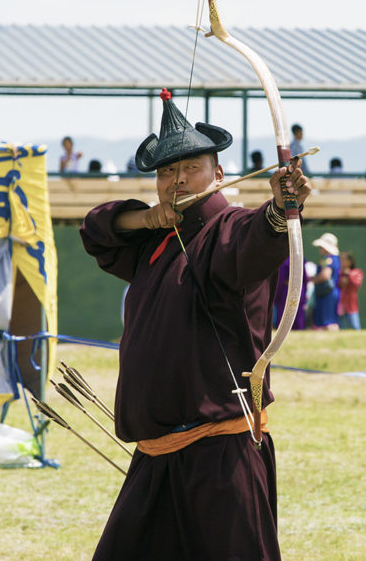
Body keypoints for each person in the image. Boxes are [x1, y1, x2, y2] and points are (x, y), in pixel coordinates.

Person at [78, 89, 309, 559]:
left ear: (218, 174)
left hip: (220, 458)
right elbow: (96, 230)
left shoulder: (228, 228)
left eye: (190, 168)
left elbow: (254, 241)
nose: (177, 181)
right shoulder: (152, 244)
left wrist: (281, 213)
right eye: (166, 172)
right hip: (156, 457)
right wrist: (145, 217)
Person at [310, 232, 341, 331]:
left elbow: (325, 275)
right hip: (329, 293)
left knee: (328, 322)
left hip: (327, 294)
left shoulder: (329, 259)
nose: (320, 249)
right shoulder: (333, 259)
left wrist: (311, 279)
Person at [337, 251, 363, 330]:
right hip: (340, 304)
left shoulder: (357, 272)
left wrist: (348, 274)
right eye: (340, 259)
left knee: (355, 326)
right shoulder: (338, 272)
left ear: (350, 261)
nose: (341, 261)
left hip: (351, 305)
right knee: (341, 327)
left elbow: (356, 284)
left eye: (343, 259)